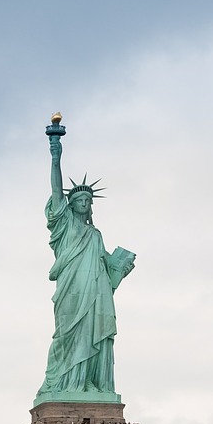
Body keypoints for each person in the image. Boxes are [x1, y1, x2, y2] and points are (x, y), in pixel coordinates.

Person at [37, 125, 134, 401]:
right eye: (79, 199)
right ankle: (66, 381)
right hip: (72, 289)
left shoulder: (95, 234)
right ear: (71, 204)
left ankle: (89, 383)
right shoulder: (65, 226)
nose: (83, 203)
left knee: (94, 333)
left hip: (96, 293)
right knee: (66, 336)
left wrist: (120, 268)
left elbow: (107, 270)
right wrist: (56, 155)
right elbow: (57, 191)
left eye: (87, 200)